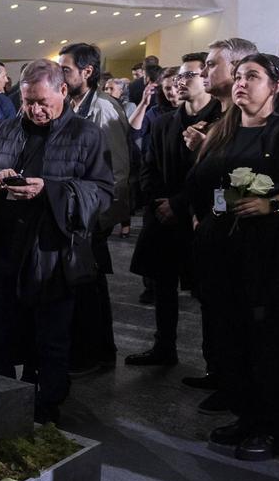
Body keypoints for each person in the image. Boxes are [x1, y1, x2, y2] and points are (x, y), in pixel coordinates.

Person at [185, 53, 279, 460]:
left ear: (275, 85)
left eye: (252, 76)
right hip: (226, 254)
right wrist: (206, 216)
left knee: (276, 346)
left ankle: (273, 430)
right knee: (235, 342)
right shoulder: (222, 131)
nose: (241, 83)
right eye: (237, 76)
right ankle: (247, 418)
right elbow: (203, 185)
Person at [0, 59, 114, 424]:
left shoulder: (86, 135)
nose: (34, 110)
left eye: (41, 101)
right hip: (4, 247)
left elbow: (102, 194)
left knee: (50, 337)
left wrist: (48, 190)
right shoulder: (6, 129)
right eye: (27, 101)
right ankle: (2, 400)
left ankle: (46, 404)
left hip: (52, 253)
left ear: (63, 91)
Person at [127, 53, 222, 368]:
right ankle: (163, 347)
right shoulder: (165, 121)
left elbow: (218, 175)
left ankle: (214, 361)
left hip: (200, 217)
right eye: (179, 76)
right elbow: (148, 167)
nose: (181, 82)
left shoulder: (223, 120)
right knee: (163, 287)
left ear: (206, 78)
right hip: (164, 215)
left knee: (208, 292)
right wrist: (159, 202)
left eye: (189, 75)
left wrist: (179, 204)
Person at [181, 37, 260, 404]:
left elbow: (245, 180)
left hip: (239, 236)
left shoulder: (248, 121)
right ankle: (222, 377)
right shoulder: (221, 117)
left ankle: (236, 388)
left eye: (213, 64)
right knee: (217, 312)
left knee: (235, 318)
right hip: (215, 232)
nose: (206, 70)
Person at [57, 43, 130, 373]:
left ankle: (94, 354)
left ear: (87, 72)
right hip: (78, 213)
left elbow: (118, 170)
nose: (61, 74)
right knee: (85, 284)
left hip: (92, 214)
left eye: (66, 69)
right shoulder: (73, 104)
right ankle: (92, 351)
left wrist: (102, 217)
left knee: (90, 286)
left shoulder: (103, 109)